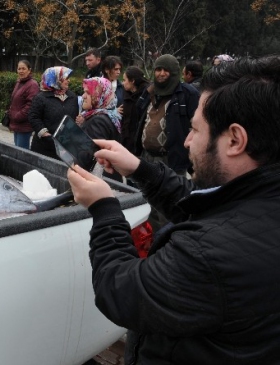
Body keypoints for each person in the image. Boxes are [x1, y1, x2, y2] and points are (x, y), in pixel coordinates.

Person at [66, 55, 280, 365]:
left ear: (234, 140)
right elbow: (204, 203)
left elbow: (121, 290)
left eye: (196, 130)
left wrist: (104, 208)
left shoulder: (208, 256)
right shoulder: (258, 199)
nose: (188, 142)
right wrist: (141, 169)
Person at [135, 54, 199, 175]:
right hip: (146, 157)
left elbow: (197, 127)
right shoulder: (149, 91)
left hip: (172, 161)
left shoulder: (187, 94)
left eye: (166, 70)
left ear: (174, 72)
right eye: (158, 69)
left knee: (171, 192)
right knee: (145, 193)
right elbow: (139, 118)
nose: (161, 73)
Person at [29, 66, 78, 159]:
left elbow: (73, 117)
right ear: (56, 79)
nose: (69, 81)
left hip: (65, 147)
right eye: (66, 78)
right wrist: (44, 133)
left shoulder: (72, 96)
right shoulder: (41, 98)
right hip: (45, 146)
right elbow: (33, 117)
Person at [78, 77, 123, 181]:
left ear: (98, 96)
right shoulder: (111, 114)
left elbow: (90, 155)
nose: (83, 96)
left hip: (96, 178)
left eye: (88, 93)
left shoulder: (98, 121)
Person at [8, 60, 39, 149]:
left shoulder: (33, 84)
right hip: (16, 123)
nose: (21, 71)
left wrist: (17, 116)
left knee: (22, 152)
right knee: (17, 149)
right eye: (19, 69)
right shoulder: (19, 82)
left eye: (23, 69)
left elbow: (31, 105)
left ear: (29, 70)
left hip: (24, 125)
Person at [120, 66, 149, 154]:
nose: (122, 83)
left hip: (139, 143)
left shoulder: (146, 96)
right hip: (126, 140)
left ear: (132, 81)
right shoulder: (127, 94)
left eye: (125, 80)